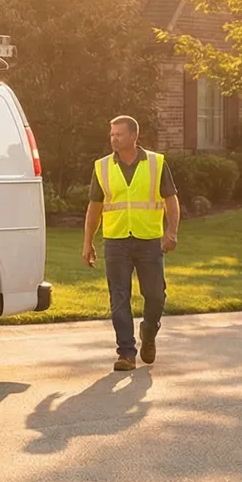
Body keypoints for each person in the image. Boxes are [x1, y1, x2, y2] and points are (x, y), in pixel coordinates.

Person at [81, 115, 180, 371]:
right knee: (119, 298)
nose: (114, 139)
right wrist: (88, 242)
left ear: (134, 136)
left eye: (119, 134)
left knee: (156, 296)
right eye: (112, 134)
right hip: (116, 242)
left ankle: (149, 333)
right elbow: (94, 207)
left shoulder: (157, 163)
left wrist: (171, 231)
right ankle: (126, 353)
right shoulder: (102, 167)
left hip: (149, 240)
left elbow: (171, 199)